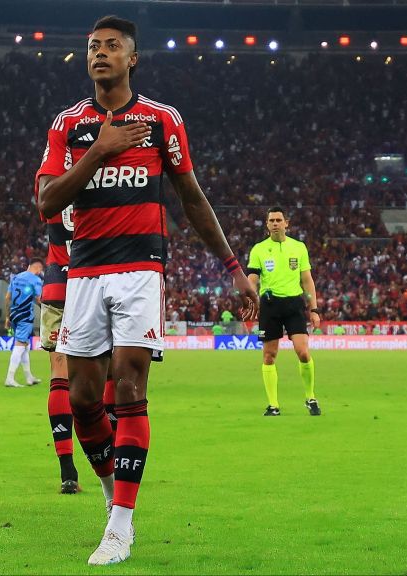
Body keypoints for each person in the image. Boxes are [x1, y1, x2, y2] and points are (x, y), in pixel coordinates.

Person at [36, 15, 259, 565]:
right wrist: (100, 151)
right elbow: (46, 201)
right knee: (85, 400)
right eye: (93, 47)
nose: (101, 54)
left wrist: (232, 265)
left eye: (112, 47)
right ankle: (116, 495)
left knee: (129, 389)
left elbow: (191, 196)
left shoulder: (162, 120)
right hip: (84, 273)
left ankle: (119, 526)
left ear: (132, 58)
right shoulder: (69, 125)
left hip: (140, 270)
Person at [246, 207, 321, 417]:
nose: (276, 223)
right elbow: (252, 278)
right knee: (269, 356)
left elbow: (307, 280)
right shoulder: (259, 249)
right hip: (270, 306)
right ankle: (273, 405)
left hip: (294, 304)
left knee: (303, 352)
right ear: (267, 224)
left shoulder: (298, 247)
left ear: (286, 223)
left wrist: (314, 309)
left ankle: (310, 397)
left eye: (279, 220)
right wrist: (249, 299)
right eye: (272, 220)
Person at [3, 259, 45, 387]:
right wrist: (48, 310)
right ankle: (9, 378)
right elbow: (38, 299)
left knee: (25, 345)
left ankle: (29, 377)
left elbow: (7, 298)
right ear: (38, 268)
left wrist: (7, 317)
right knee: (20, 345)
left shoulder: (15, 278)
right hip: (25, 316)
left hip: (14, 315)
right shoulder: (36, 280)